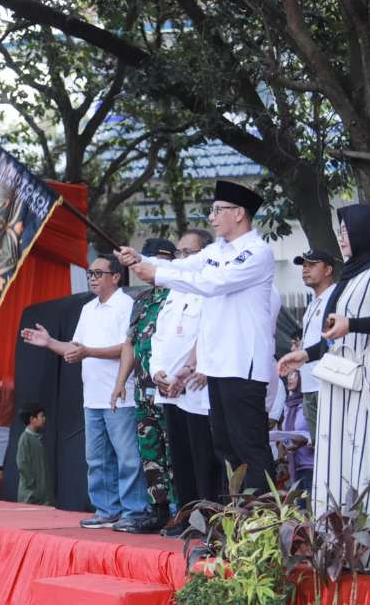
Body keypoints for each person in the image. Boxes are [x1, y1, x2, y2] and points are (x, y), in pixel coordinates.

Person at [119, 180, 275, 494]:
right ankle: (234, 526)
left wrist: (158, 275)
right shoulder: (217, 250)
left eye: (218, 210)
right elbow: (183, 265)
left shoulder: (257, 253)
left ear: (239, 213)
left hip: (243, 364)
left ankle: (263, 526)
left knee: (250, 449)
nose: (212, 217)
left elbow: (214, 283)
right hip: (217, 364)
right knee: (226, 448)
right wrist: (141, 260)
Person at [278, 204, 370, 571]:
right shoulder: (353, 275)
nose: (342, 236)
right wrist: (307, 353)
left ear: (369, 231)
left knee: (368, 463)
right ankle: (337, 547)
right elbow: (337, 333)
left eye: (348, 230)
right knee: (339, 464)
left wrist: (351, 324)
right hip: (341, 383)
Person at [21, 255, 148, 530]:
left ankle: (135, 511)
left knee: (127, 456)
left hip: (120, 394)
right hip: (92, 396)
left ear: (116, 277)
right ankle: (106, 509)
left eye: (99, 273)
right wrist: (50, 342)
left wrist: (89, 352)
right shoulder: (88, 309)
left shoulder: (127, 305)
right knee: (96, 457)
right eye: (90, 273)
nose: (92, 277)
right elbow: (76, 348)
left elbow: (128, 347)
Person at [149, 229, 219, 529]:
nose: (182, 259)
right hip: (169, 390)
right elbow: (158, 338)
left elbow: (208, 335)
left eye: (189, 253)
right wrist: (157, 374)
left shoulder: (210, 288)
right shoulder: (174, 291)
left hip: (195, 389)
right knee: (180, 460)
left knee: (204, 459)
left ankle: (211, 522)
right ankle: (189, 520)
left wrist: (186, 372)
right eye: (180, 253)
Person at [111, 238, 178, 533]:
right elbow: (129, 343)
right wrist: (120, 382)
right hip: (143, 390)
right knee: (150, 450)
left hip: (173, 390)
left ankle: (184, 510)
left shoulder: (180, 295)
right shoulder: (141, 300)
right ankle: (159, 510)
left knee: (176, 450)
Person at [293, 249, 339, 440]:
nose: (305, 269)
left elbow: (332, 341)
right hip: (309, 385)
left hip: (326, 384)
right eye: (303, 265)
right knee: (318, 450)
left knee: (333, 446)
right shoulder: (312, 304)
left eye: (312, 265)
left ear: (328, 269)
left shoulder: (335, 297)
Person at [279, 371, 313, 493]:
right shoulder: (288, 404)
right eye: (288, 375)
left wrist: (304, 440)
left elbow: (317, 432)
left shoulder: (310, 403)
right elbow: (287, 432)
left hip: (311, 466)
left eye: (294, 375)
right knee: (298, 509)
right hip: (294, 468)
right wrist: (288, 444)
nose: (289, 378)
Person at [15, 408, 52, 506]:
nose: (44, 419)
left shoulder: (38, 438)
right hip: (30, 496)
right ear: (32, 419)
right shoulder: (25, 438)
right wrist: (32, 484)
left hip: (43, 497)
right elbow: (22, 463)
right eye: (42, 416)